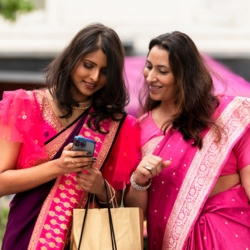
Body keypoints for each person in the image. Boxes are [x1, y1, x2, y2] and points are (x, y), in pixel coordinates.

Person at [0, 22, 140, 250]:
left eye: (105, 72)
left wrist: (100, 187)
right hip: (26, 235)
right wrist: (59, 167)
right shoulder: (24, 106)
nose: (94, 77)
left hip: (86, 239)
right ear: (72, 59)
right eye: (88, 65)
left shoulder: (114, 124)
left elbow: (117, 199)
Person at [124, 31, 250, 249]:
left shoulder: (229, 115)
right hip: (172, 241)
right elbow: (136, 213)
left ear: (184, 76)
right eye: (149, 66)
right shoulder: (138, 129)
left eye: (162, 71)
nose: (150, 77)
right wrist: (140, 179)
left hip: (230, 236)